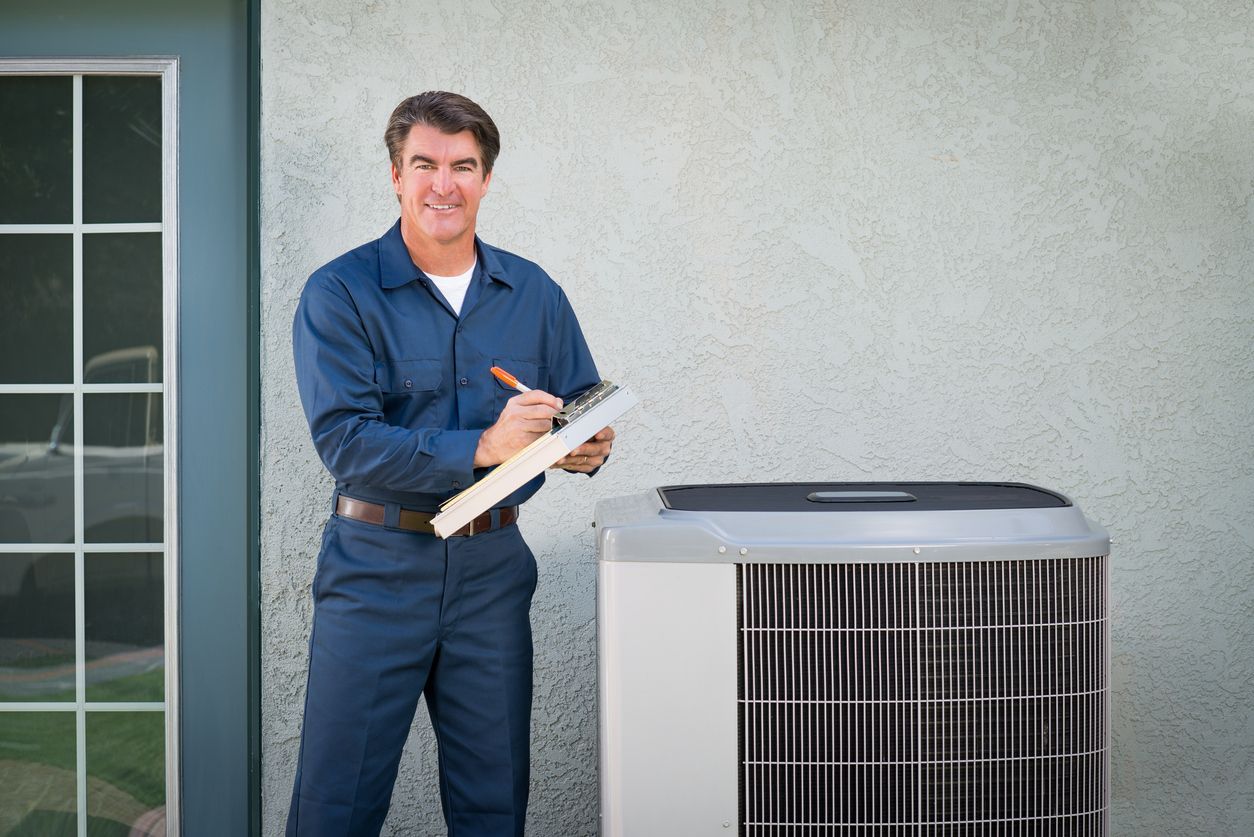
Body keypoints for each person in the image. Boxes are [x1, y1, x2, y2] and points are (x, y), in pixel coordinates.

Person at [286, 91, 615, 836]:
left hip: (492, 573)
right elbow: (346, 441)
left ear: (487, 178)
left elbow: (574, 405)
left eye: (463, 165)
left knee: (493, 802)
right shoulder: (339, 293)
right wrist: (484, 445)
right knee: (337, 803)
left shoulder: (533, 292)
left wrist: (584, 448)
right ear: (396, 176)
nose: (445, 184)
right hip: (376, 569)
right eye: (425, 164)